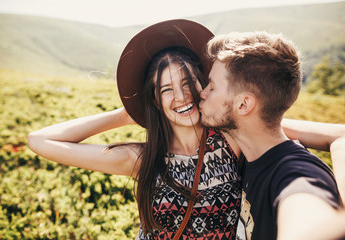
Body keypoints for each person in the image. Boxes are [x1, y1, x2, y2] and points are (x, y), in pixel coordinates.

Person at [28, 20, 344, 239]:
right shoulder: (143, 157)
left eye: (188, 82)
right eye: (166, 90)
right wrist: (126, 114)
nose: (181, 96)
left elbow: (301, 136)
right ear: (155, 100)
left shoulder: (232, 135)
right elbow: (40, 140)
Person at [199, 31, 345, 240]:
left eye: (211, 87)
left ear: (244, 104)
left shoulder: (294, 174)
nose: (202, 93)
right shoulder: (251, 150)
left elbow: (307, 216)